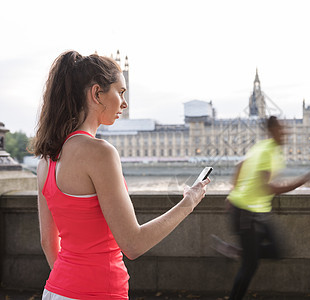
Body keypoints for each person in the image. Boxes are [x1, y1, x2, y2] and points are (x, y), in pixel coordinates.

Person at [32, 50, 210, 299]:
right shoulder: (100, 153)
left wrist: (69, 284)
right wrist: (189, 202)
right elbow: (133, 244)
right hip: (99, 292)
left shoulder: (46, 159)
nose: (124, 103)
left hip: (55, 290)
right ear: (96, 93)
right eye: (120, 92)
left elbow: (47, 242)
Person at [216, 116, 310, 300]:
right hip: (245, 212)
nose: (285, 132)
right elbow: (267, 187)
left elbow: (240, 166)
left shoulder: (266, 148)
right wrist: (303, 180)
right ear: (272, 130)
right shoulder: (266, 152)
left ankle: (239, 251)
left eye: (285, 129)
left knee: (278, 250)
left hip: (257, 211)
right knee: (250, 266)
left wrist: (233, 191)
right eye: (281, 129)